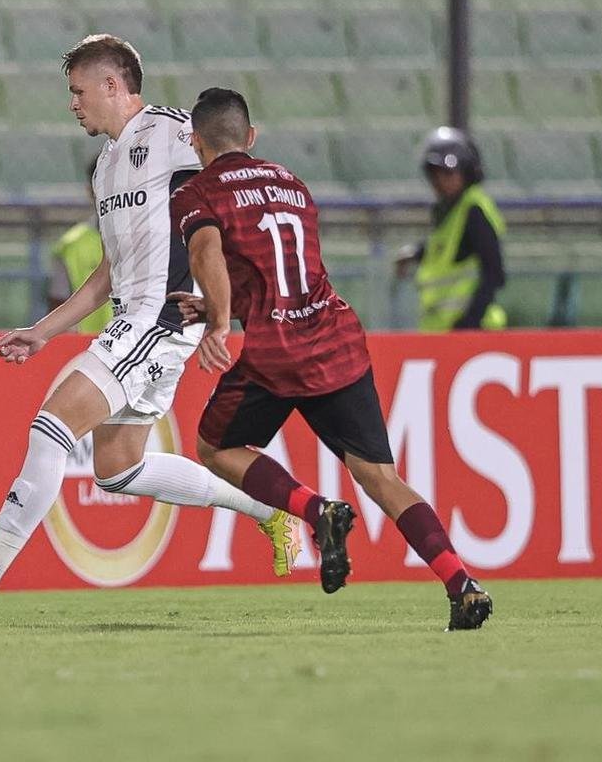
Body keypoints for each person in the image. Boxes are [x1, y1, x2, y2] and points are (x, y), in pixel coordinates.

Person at [0, 36, 301, 625]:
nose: (73, 104)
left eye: (78, 92)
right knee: (118, 468)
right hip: (135, 319)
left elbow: (237, 173)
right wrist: (42, 332)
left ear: (114, 86)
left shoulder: (173, 131)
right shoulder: (106, 168)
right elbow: (106, 273)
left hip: (158, 320)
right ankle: (270, 510)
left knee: (51, 427)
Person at [168, 88, 493, 630]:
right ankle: (461, 582)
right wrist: (216, 308)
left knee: (214, 446)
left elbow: (205, 252)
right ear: (251, 138)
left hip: (276, 354)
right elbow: (286, 278)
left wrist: (219, 320)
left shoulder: (197, 193)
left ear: (195, 141)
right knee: (383, 479)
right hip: (335, 339)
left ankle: (317, 511)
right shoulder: (293, 184)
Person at [396, 126, 507, 332]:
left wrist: (469, 324)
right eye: (434, 174)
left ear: (466, 170)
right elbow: (448, 248)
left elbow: (493, 273)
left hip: (470, 331)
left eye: (448, 173)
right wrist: (417, 253)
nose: (440, 181)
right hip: (440, 332)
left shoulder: (473, 209)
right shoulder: (448, 211)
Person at [47, 155, 113, 332]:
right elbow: (58, 301)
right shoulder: (70, 244)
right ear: (90, 191)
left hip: (141, 344)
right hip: (86, 346)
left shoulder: (156, 235)